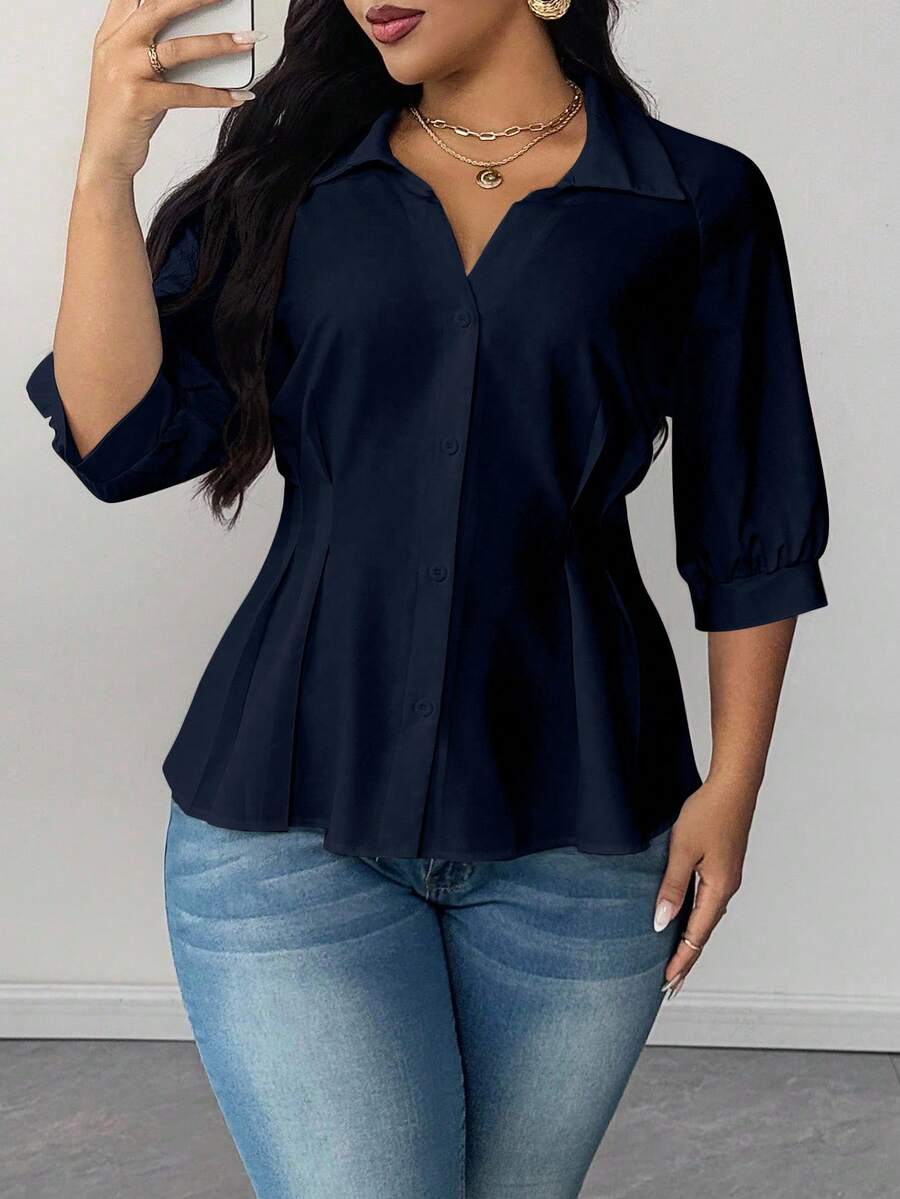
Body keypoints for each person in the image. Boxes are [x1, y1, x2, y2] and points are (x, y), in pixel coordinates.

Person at [25, 1, 830, 1196]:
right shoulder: (293, 184)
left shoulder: (696, 199)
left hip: (582, 833)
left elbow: (749, 519)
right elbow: (119, 442)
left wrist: (735, 785)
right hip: (286, 817)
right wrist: (105, 170)